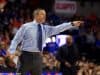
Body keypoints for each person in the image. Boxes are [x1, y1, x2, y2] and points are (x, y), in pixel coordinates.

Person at [8, 8, 83, 75]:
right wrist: (11, 52)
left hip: (38, 57)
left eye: (45, 14)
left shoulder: (45, 29)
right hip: (25, 56)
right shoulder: (26, 26)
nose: (45, 16)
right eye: (42, 14)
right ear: (36, 15)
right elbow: (16, 39)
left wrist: (71, 24)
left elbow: (59, 28)